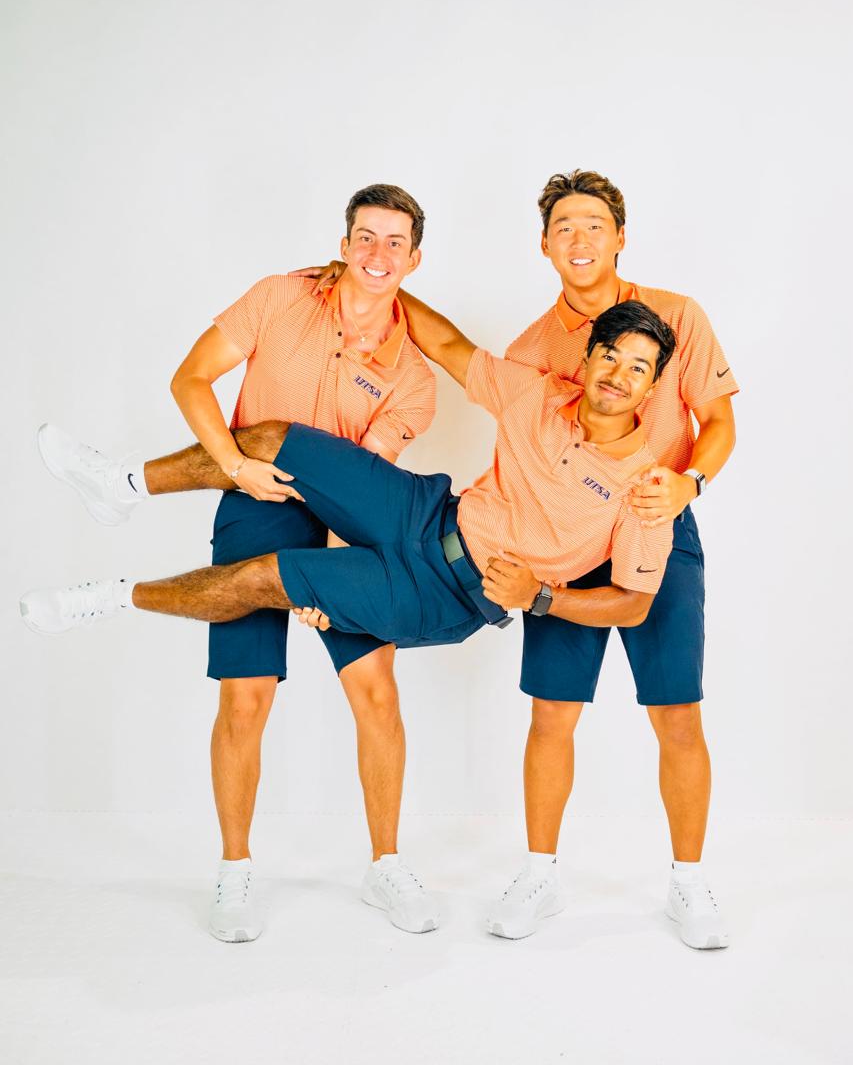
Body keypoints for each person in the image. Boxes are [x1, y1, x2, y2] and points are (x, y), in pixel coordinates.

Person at [22, 301, 678, 930]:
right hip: (426, 511)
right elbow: (448, 345)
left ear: (650, 390)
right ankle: (122, 484)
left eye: (637, 368)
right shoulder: (538, 395)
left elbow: (635, 600)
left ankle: (111, 596)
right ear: (589, 358)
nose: (617, 375)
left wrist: (541, 597)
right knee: (275, 439)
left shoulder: (645, 488)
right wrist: (378, 279)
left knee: (261, 580)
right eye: (610, 356)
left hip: (444, 594)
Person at [32, 183, 443, 943]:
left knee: (376, 695)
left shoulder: (413, 380)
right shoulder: (280, 296)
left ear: (413, 259)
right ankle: (233, 871)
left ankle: (384, 863)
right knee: (245, 697)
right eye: (365, 236)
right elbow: (190, 379)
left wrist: (329, 584)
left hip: (341, 527)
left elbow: (366, 492)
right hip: (252, 500)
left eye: (393, 242)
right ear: (344, 241)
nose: (377, 254)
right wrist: (235, 463)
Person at [484, 168, 738, 950]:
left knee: (676, 714)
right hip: (565, 543)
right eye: (564, 227)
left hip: (658, 529)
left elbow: (719, 419)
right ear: (544, 244)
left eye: (594, 225)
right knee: (551, 714)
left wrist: (688, 484)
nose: (580, 240)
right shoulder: (532, 346)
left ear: (620, 237)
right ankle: (539, 874)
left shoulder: (678, 315)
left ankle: (688, 883)